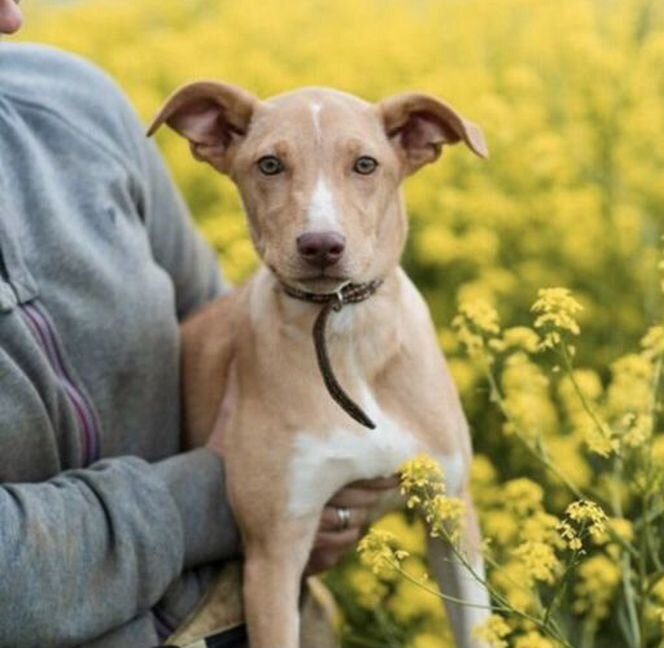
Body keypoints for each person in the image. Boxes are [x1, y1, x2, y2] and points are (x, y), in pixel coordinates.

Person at [0, 1, 398, 646]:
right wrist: (226, 499)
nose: (13, 16)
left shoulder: (74, 103)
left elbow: (221, 330)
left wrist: (331, 491)